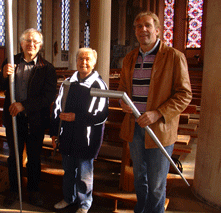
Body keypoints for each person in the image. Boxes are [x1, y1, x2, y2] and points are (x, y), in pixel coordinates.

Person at [117, 12, 192, 213]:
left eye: (148, 25)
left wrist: (158, 113)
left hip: (159, 129)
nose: (143, 30)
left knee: (157, 183)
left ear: (157, 30)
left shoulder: (174, 57)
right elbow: (123, 89)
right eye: (139, 26)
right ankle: (141, 209)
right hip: (135, 127)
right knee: (139, 177)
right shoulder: (130, 58)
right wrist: (123, 102)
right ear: (135, 31)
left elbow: (185, 95)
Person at [0, 28, 57, 207]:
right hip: (13, 118)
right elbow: (0, 86)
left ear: (40, 46)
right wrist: (3, 75)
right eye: (28, 41)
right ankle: (14, 190)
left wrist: (25, 105)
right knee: (13, 157)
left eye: (35, 42)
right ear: (21, 43)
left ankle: (34, 190)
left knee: (34, 157)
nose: (32, 44)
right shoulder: (11, 61)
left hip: (35, 120)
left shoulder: (47, 68)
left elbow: (48, 97)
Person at [50, 48, 109, 213]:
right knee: (68, 171)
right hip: (67, 135)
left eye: (88, 59)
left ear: (94, 62)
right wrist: (54, 133)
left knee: (84, 174)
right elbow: (57, 108)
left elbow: (101, 114)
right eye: (80, 59)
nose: (84, 62)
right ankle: (69, 198)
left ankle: (84, 203)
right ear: (76, 61)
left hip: (87, 138)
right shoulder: (68, 82)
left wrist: (77, 117)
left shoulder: (98, 84)